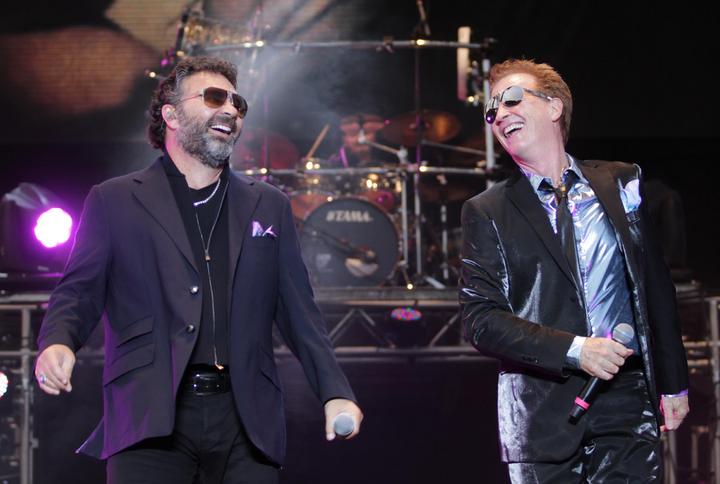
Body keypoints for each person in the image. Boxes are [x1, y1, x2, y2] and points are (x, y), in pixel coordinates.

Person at [34, 55, 362, 483]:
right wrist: (58, 341)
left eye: (237, 103)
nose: (230, 110)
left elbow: (300, 312)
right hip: (149, 416)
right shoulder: (115, 200)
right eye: (213, 98)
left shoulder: (269, 204)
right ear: (171, 115)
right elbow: (79, 290)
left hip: (246, 422)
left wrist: (334, 391)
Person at [459, 59, 689, 482]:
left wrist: (674, 380)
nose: (499, 113)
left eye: (512, 99)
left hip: (627, 396)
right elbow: (480, 320)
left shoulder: (621, 181)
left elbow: (655, 285)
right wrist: (575, 349)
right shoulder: (487, 210)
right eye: (491, 110)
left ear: (554, 107)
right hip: (541, 410)